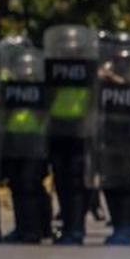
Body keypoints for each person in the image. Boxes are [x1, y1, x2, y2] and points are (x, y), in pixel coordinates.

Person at [44, 25, 98, 245]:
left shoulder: (89, 70)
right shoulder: (54, 70)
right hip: (58, 128)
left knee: (76, 181)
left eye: (73, 50)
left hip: (81, 130)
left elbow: (95, 99)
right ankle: (68, 225)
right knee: (61, 181)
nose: (69, 53)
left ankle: (76, 228)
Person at [96, 32, 130, 245]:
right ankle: (117, 224)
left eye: (126, 57)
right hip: (108, 136)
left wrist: (119, 81)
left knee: (127, 182)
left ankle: (126, 228)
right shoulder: (104, 72)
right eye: (118, 56)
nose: (122, 60)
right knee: (109, 182)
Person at [0, 38, 49, 244]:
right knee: (17, 185)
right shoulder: (7, 81)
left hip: (35, 139)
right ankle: (22, 228)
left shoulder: (40, 80)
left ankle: (35, 229)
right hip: (12, 139)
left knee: (31, 184)